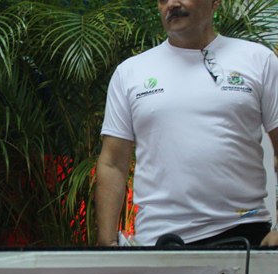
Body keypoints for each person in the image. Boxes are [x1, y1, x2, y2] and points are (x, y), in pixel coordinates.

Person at [95, 0, 278, 247]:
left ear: (215, 2)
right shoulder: (130, 72)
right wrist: (107, 243)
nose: (171, 4)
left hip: (244, 234)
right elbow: (113, 164)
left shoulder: (258, 60)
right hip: (158, 241)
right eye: (163, 0)